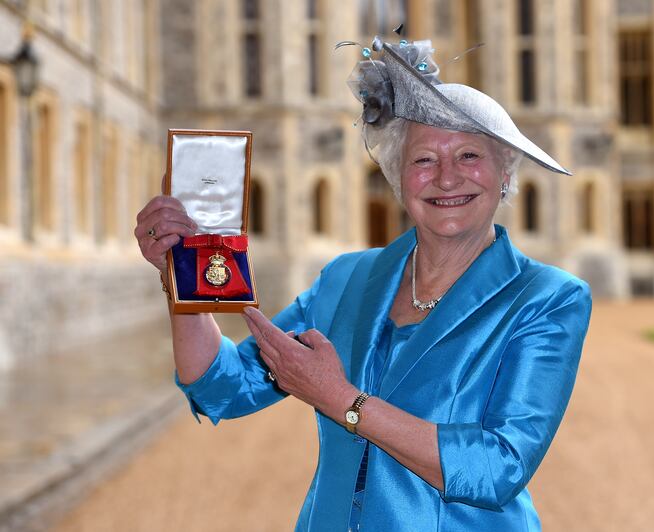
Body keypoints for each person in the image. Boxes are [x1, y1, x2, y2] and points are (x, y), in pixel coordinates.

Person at [135, 36, 591, 532]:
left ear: (505, 173)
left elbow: (498, 468)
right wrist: (180, 279)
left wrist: (341, 400)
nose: (445, 178)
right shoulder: (345, 278)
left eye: (469, 156)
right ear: (398, 177)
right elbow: (226, 388)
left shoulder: (548, 298)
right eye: (423, 160)